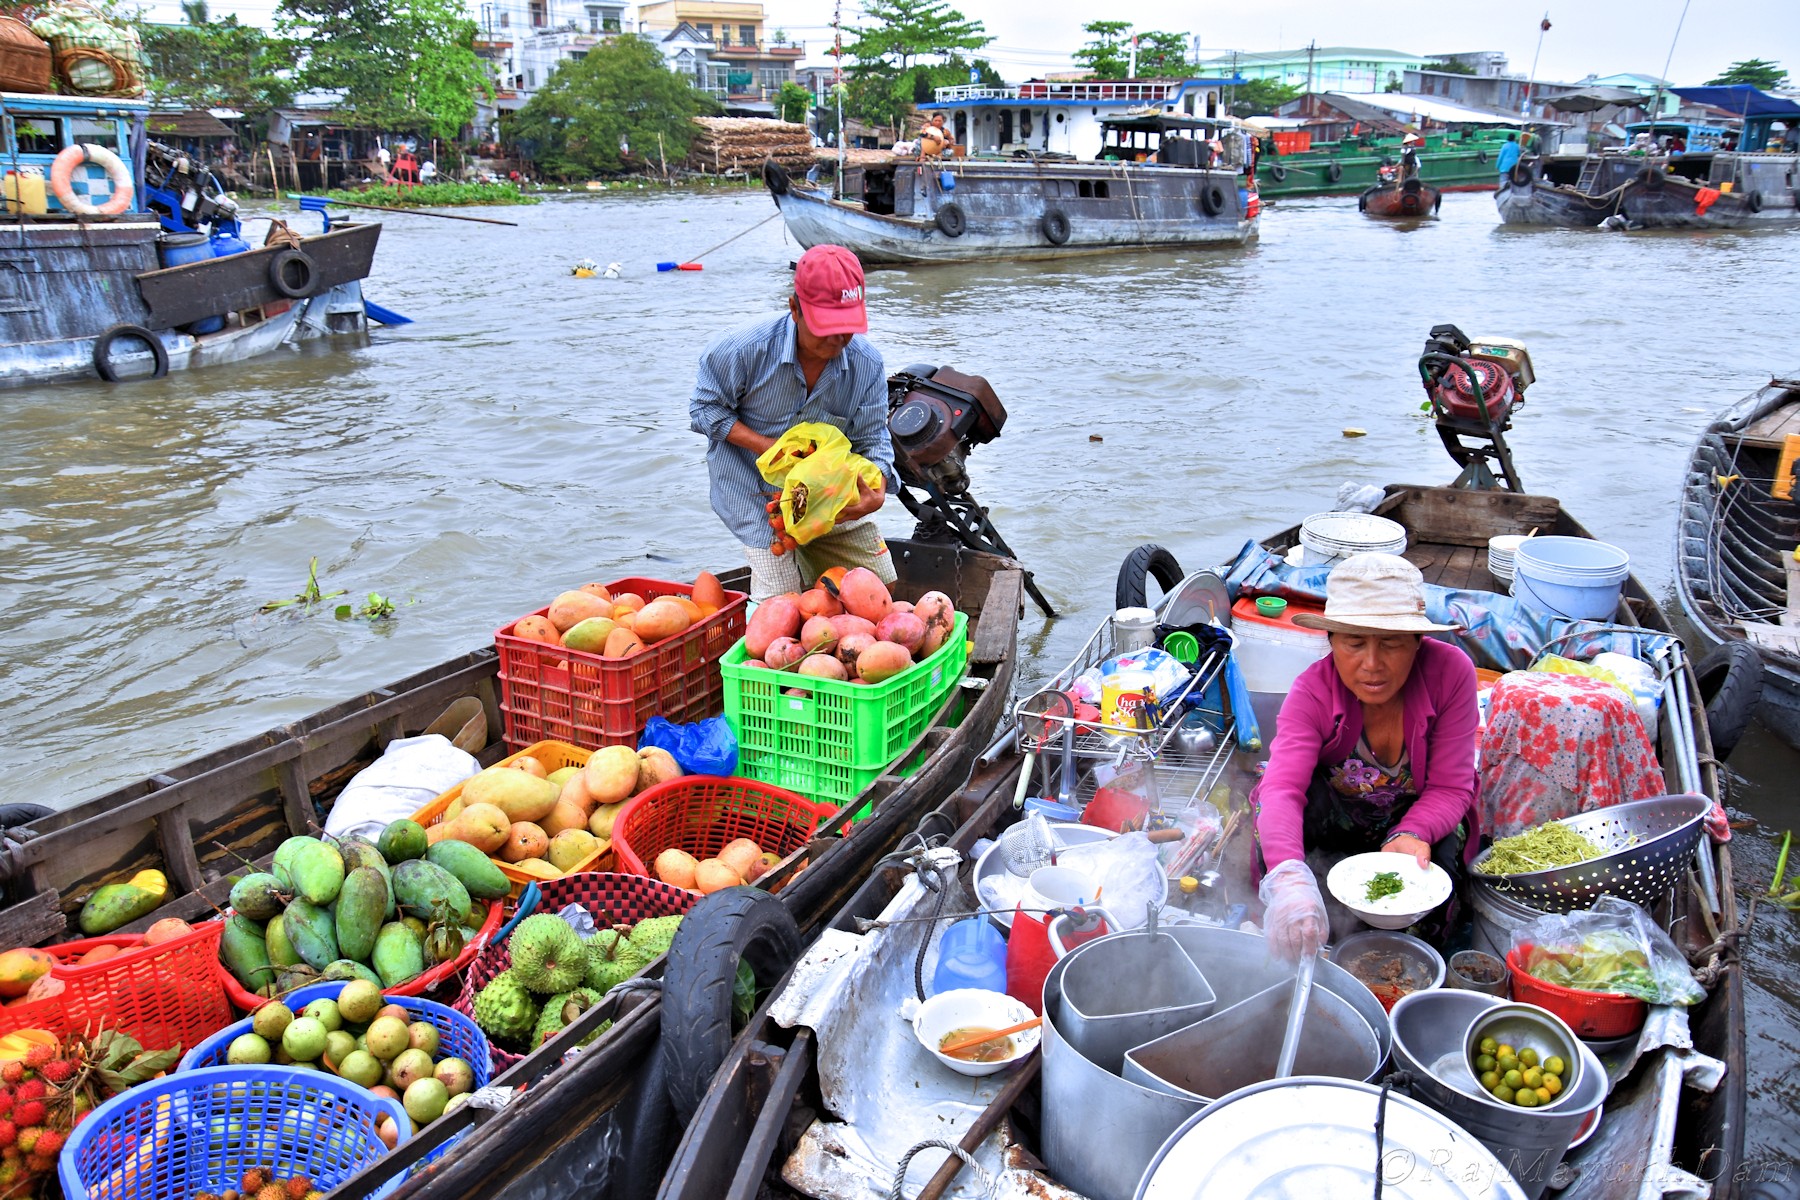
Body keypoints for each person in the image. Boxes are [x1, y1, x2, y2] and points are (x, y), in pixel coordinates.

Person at [1251, 553, 1480, 963]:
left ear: (1417, 641)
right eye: (1354, 643)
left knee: (1439, 872)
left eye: (1390, 643)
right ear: (1332, 641)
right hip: (1339, 814)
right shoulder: (1312, 692)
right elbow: (1283, 788)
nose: (1372, 665)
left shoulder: (1451, 673)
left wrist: (1412, 833)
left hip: (1418, 817)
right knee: (1272, 824)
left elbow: (1450, 787)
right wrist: (1289, 880)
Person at [690, 244, 897, 600]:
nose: (837, 340)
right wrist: (770, 448)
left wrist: (876, 488)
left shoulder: (867, 364)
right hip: (756, 493)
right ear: (795, 309)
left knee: (879, 587)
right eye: (826, 327)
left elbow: (872, 438)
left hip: (829, 493)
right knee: (782, 600)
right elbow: (705, 411)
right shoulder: (740, 350)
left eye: (847, 328)